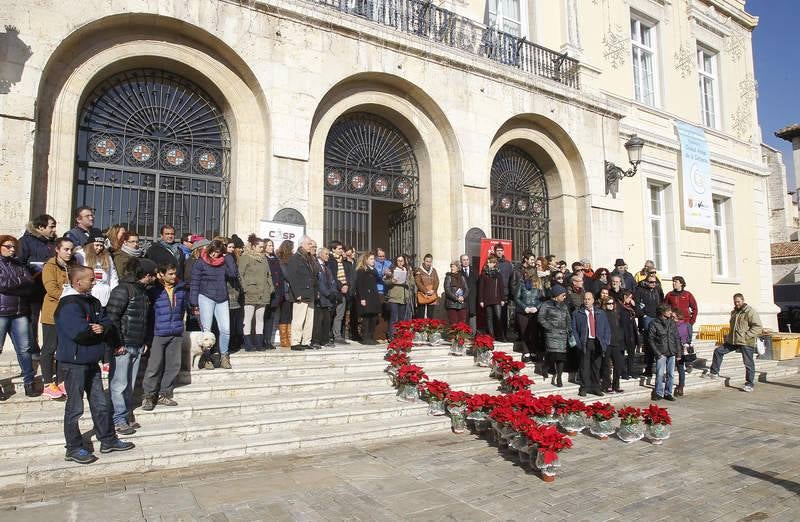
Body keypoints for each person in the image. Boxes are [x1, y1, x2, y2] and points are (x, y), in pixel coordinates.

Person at [56, 266, 134, 463]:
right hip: (74, 363)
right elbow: (79, 332)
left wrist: (102, 327)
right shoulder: (69, 304)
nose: (95, 282)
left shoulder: (94, 301)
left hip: (92, 361)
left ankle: (107, 439)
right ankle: (73, 447)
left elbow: (106, 321)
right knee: (75, 408)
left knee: (100, 403)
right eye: (91, 279)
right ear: (78, 282)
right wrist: (95, 330)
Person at [106, 258, 156, 434]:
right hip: (123, 345)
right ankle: (118, 419)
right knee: (119, 384)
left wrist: (144, 342)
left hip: (136, 344)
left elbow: (144, 321)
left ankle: (125, 415)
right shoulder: (122, 290)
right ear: (146, 275)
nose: (155, 278)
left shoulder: (143, 293)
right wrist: (117, 343)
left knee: (129, 385)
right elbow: (112, 318)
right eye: (152, 274)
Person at [142, 262, 187, 411]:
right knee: (154, 366)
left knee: (173, 365)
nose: (174, 277)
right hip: (158, 332)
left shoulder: (180, 289)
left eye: (175, 274)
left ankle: (164, 394)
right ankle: (149, 395)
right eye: (170, 274)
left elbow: (181, 311)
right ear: (161, 274)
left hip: (175, 332)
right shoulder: (153, 290)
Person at [41, 238, 79, 399]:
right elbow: (51, 288)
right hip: (53, 312)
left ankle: (62, 380)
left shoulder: (73, 265)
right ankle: (48, 383)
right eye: (66, 249)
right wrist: (71, 296)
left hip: (69, 314)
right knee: (49, 348)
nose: (69, 253)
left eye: (71, 250)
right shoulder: (49, 266)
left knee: (64, 348)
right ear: (57, 250)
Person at [0, 235, 38, 397]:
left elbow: (30, 284)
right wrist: (19, 282)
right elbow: (2, 283)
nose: (12, 249)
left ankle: (29, 382)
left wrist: (14, 283)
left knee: (24, 349)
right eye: (8, 246)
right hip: (1, 312)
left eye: (14, 247)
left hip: (19, 311)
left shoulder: (19, 264)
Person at [705, 293, 763, 392]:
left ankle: (749, 384)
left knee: (748, 363)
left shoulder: (750, 312)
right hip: (733, 340)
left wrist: (746, 336)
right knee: (718, 351)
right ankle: (714, 372)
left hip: (746, 342)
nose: (737, 304)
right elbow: (734, 327)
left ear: (743, 300)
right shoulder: (734, 312)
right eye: (735, 302)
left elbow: (758, 327)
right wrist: (728, 337)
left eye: (738, 301)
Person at [190, 239, 234, 368]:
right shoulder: (200, 262)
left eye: (219, 252)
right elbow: (194, 282)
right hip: (205, 296)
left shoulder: (224, 261)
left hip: (222, 297)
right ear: (209, 250)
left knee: (226, 329)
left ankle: (224, 356)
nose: (215, 255)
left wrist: (229, 258)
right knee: (206, 330)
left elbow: (233, 274)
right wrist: (194, 302)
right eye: (214, 252)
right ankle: (206, 357)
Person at [18, 213, 57, 355]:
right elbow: (19, 263)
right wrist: (31, 272)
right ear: (41, 227)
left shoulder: (55, 243)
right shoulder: (25, 241)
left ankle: (50, 350)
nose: (54, 230)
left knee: (52, 320)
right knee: (32, 320)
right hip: (33, 288)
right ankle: (33, 350)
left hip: (50, 289)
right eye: (51, 227)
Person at [239, 235, 274, 351]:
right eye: (260, 247)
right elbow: (240, 274)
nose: (262, 249)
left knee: (260, 318)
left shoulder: (264, 258)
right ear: (253, 246)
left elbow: (269, 274)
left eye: (263, 247)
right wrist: (245, 288)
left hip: (263, 292)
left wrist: (271, 288)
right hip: (251, 292)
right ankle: (248, 343)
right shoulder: (245, 257)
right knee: (248, 318)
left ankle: (259, 343)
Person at [571, 291, 610, 397]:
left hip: (597, 342)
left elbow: (607, 328)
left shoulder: (600, 313)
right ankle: (584, 388)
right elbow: (573, 329)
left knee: (596, 367)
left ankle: (596, 387)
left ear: (593, 300)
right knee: (584, 366)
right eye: (585, 299)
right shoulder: (577, 313)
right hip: (585, 342)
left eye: (589, 299)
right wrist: (578, 343)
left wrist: (605, 342)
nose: (586, 301)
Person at [286, 236, 318, 351]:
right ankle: (295, 342)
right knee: (298, 319)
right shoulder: (296, 258)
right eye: (309, 244)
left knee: (309, 320)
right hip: (301, 294)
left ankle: (306, 341)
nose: (311, 246)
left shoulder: (309, 258)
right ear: (302, 245)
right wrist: (297, 293)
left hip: (310, 293)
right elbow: (292, 277)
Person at [514, 252, 545, 365]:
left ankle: (533, 352)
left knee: (533, 333)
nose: (525, 274)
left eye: (527, 273)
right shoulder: (521, 283)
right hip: (523, 312)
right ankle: (526, 352)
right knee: (524, 332)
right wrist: (525, 308)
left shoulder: (538, 285)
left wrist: (536, 308)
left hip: (534, 312)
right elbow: (517, 298)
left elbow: (542, 299)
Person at [537, 284, 571, 387]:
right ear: (557, 295)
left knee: (561, 357)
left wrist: (568, 329)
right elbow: (541, 318)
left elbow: (568, 319)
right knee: (552, 355)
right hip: (551, 334)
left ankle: (559, 377)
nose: (564, 297)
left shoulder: (564, 306)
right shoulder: (546, 304)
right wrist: (549, 327)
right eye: (563, 295)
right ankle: (545, 367)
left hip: (562, 334)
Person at [75, 235, 119, 308]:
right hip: (88, 293)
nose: (99, 248)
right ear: (90, 245)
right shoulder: (80, 255)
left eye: (101, 246)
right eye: (96, 245)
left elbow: (113, 276)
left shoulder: (107, 257)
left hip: (105, 294)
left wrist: (114, 293)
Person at [647, 303, 679, 401]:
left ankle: (668, 393)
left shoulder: (672, 323)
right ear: (662, 312)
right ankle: (658, 393)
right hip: (661, 353)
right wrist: (657, 353)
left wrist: (679, 353)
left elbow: (676, 338)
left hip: (671, 352)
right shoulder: (654, 323)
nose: (671, 312)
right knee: (660, 374)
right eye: (668, 310)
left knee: (671, 374)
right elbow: (650, 339)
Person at [635, 274, 664, 380]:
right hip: (647, 318)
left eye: (655, 282)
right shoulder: (641, 290)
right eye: (651, 282)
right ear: (646, 282)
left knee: (658, 343)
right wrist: (643, 315)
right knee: (649, 343)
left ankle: (658, 369)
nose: (653, 284)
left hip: (657, 318)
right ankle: (648, 369)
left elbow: (662, 302)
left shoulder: (657, 290)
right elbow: (637, 304)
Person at [328, 241, 354, 344]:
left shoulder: (343, 261)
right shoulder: (330, 260)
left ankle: (337, 335)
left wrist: (346, 285)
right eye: (339, 249)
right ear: (333, 249)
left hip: (344, 290)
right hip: (334, 290)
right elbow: (332, 276)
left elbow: (348, 274)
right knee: (331, 314)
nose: (341, 251)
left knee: (340, 314)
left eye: (342, 249)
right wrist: (341, 286)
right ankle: (329, 335)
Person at [311, 247, 337, 349]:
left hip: (328, 299)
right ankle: (316, 340)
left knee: (327, 320)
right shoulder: (316, 265)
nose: (328, 256)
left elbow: (332, 281)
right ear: (319, 254)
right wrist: (327, 293)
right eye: (326, 254)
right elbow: (319, 283)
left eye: (328, 254)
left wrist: (333, 292)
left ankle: (325, 340)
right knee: (318, 320)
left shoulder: (327, 267)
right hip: (320, 297)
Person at [600, 297, 626, 394]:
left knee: (617, 365)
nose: (611, 305)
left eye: (612, 303)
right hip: (607, 344)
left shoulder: (616, 314)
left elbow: (620, 328)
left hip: (616, 343)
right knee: (606, 366)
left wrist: (620, 339)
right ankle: (606, 386)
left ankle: (616, 385)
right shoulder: (602, 314)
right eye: (608, 303)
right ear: (604, 304)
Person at [263, 239, 285, 350]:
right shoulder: (263, 259)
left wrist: (280, 292)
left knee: (271, 317)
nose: (271, 247)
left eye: (272, 245)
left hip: (276, 292)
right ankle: (261, 340)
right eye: (269, 245)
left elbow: (280, 276)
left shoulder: (275, 259)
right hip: (266, 292)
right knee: (263, 317)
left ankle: (268, 340)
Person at [355, 252, 380, 345]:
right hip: (366, 296)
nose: (373, 261)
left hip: (373, 297)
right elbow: (360, 285)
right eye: (371, 259)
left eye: (374, 259)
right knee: (366, 318)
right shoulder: (361, 270)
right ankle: (365, 337)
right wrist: (362, 298)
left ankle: (371, 336)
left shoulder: (373, 270)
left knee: (373, 317)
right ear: (366, 260)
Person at [664, 275, 698, 340]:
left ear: (681, 283)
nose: (673, 283)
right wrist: (667, 320)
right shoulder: (669, 295)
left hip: (686, 322)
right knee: (674, 342)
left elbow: (695, 308)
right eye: (673, 282)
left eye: (676, 282)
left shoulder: (688, 294)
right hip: (673, 323)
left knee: (686, 343)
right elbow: (664, 308)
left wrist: (691, 321)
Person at [478, 254, 504, 338]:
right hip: (487, 299)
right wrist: (481, 300)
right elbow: (481, 288)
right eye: (488, 262)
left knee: (498, 317)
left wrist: (502, 299)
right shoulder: (484, 274)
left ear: (494, 263)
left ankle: (501, 335)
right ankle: (491, 336)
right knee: (489, 318)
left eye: (491, 262)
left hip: (497, 299)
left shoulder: (498, 274)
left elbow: (501, 287)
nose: (488, 263)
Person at [385, 254, 412, 337]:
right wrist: (392, 281)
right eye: (398, 261)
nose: (400, 262)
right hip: (394, 297)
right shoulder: (392, 270)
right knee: (394, 317)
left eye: (402, 261)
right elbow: (386, 281)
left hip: (404, 297)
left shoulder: (407, 270)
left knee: (402, 318)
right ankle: (392, 335)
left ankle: (400, 335)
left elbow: (412, 282)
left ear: (404, 262)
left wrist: (407, 282)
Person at [275, 240, 295, 348]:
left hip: (291, 291)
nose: (293, 250)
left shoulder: (290, 259)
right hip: (285, 291)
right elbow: (286, 274)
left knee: (290, 315)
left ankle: (289, 337)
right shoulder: (281, 259)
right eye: (291, 248)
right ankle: (284, 339)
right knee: (284, 315)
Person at [493, 244, 514, 341]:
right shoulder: (491, 262)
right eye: (498, 250)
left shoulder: (508, 264)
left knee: (504, 315)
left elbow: (511, 280)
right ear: (495, 251)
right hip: (494, 293)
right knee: (495, 315)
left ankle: (504, 335)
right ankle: (496, 335)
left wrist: (510, 294)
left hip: (505, 294)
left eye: (501, 250)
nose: (500, 252)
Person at [373, 248, 392, 342]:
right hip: (378, 290)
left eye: (383, 256)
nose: (382, 258)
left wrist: (390, 274)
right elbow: (375, 275)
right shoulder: (374, 263)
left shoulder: (389, 263)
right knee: (379, 314)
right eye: (380, 256)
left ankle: (384, 335)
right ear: (376, 256)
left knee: (386, 314)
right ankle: (378, 336)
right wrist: (383, 274)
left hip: (387, 291)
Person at [619, 290, 639, 379]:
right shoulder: (619, 307)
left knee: (631, 353)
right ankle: (623, 372)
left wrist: (635, 306)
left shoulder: (630, 308)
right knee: (622, 354)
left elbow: (639, 313)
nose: (631, 299)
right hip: (623, 333)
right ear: (624, 297)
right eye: (629, 297)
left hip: (631, 332)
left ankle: (630, 371)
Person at [443, 260, 468, 325]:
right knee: (453, 323)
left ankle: (461, 335)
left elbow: (466, 289)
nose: (452, 268)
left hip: (461, 304)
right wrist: (457, 298)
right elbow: (447, 290)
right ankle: (453, 336)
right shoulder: (448, 277)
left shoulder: (462, 277)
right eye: (451, 266)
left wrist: (463, 297)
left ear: (458, 267)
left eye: (453, 266)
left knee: (462, 323)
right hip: (451, 304)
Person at [673, 308, 692, 397]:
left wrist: (686, 345)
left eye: (673, 316)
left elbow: (689, 337)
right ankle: (680, 386)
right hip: (673, 348)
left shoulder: (686, 325)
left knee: (680, 368)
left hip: (682, 349)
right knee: (678, 368)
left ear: (677, 316)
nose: (672, 318)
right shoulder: (672, 325)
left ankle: (681, 386)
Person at [414, 253, 439, 319]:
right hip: (422, 294)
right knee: (421, 314)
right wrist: (426, 291)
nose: (428, 263)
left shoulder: (433, 270)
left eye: (430, 262)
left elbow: (437, 281)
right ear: (424, 261)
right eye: (427, 261)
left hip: (432, 294)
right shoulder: (419, 270)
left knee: (430, 315)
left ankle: (429, 328)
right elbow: (418, 282)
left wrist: (433, 290)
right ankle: (421, 328)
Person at [459, 254, 479, 332]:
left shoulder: (474, 271)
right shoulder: (459, 272)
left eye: (467, 260)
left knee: (472, 316)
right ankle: (463, 335)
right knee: (463, 317)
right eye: (464, 260)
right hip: (463, 298)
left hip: (473, 298)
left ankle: (472, 335)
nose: (466, 261)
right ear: (461, 261)